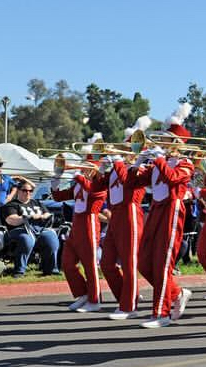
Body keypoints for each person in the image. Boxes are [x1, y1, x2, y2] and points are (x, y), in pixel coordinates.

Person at [133, 104, 197, 327]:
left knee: (162, 264)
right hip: (156, 210)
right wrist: (136, 164)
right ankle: (177, 293)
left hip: (173, 211)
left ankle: (161, 313)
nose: (161, 142)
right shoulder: (158, 163)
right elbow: (134, 183)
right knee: (144, 263)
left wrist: (159, 160)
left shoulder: (186, 163)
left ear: (177, 143)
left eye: (167, 139)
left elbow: (172, 178)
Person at [51, 161, 107, 311]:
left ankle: (95, 300)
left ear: (95, 170)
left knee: (90, 265)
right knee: (67, 263)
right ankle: (83, 293)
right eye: (84, 167)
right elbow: (58, 197)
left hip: (89, 224)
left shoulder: (100, 185)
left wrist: (77, 175)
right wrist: (56, 180)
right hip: (76, 224)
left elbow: (92, 191)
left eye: (88, 168)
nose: (84, 170)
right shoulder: (79, 184)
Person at [98, 149, 146, 318]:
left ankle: (129, 306)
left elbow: (128, 182)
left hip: (130, 212)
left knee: (129, 263)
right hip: (115, 214)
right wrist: (100, 170)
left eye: (125, 151)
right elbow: (96, 188)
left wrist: (118, 161)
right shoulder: (115, 169)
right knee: (106, 263)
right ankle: (127, 298)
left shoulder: (138, 169)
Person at [0, 179, 61, 276]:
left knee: (51, 237)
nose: (28, 193)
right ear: (18, 191)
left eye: (30, 191)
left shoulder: (37, 203)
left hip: (39, 230)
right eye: (24, 190)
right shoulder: (11, 205)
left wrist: (44, 216)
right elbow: (11, 220)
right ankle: (19, 271)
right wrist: (27, 217)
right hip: (19, 231)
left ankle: (51, 270)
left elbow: (47, 213)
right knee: (27, 239)